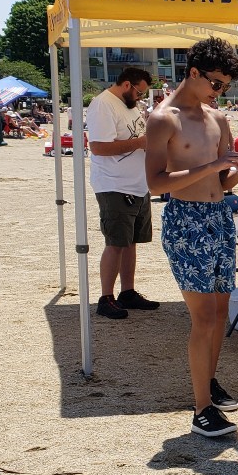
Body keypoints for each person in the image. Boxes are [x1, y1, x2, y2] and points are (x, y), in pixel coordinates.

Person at [145, 37, 238, 437]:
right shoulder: (164, 119)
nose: (219, 92)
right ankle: (200, 410)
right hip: (186, 221)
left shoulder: (218, 119)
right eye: (216, 84)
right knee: (203, 317)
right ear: (193, 72)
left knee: (221, 313)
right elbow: (155, 184)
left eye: (225, 86)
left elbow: (222, 182)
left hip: (219, 217)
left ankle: (208, 383)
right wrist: (214, 164)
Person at [88, 67, 157, 320]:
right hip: (114, 184)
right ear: (126, 85)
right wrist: (140, 143)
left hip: (137, 184)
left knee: (131, 242)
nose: (140, 97)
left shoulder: (129, 105)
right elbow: (98, 147)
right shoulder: (103, 105)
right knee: (116, 243)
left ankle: (127, 291)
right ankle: (106, 297)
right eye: (139, 92)